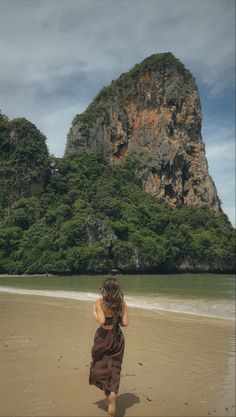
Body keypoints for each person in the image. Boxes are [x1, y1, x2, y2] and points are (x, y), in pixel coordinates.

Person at [89, 277, 129, 417]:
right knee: (115, 366)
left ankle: (109, 395)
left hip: (103, 338)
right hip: (117, 338)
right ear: (118, 289)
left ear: (104, 289)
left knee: (100, 365)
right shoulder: (122, 303)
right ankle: (112, 392)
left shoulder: (100, 303)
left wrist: (94, 311)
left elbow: (102, 322)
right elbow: (125, 323)